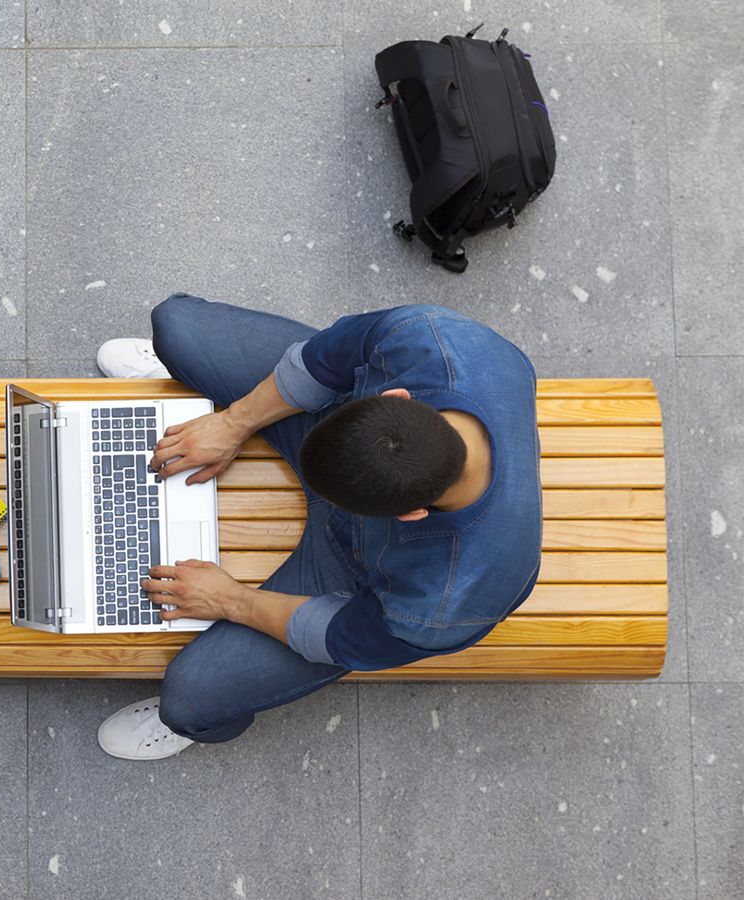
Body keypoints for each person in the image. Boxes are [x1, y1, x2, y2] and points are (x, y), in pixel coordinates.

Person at [91, 297, 541, 759]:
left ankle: (196, 725)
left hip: (350, 571)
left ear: (410, 517)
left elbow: (338, 635)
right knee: (176, 325)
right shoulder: (424, 336)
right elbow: (324, 361)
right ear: (395, 397)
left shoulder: (443, 601)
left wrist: (229, 600)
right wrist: (233, 422)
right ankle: (203, 387)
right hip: (337, 427)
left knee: (188, 701)